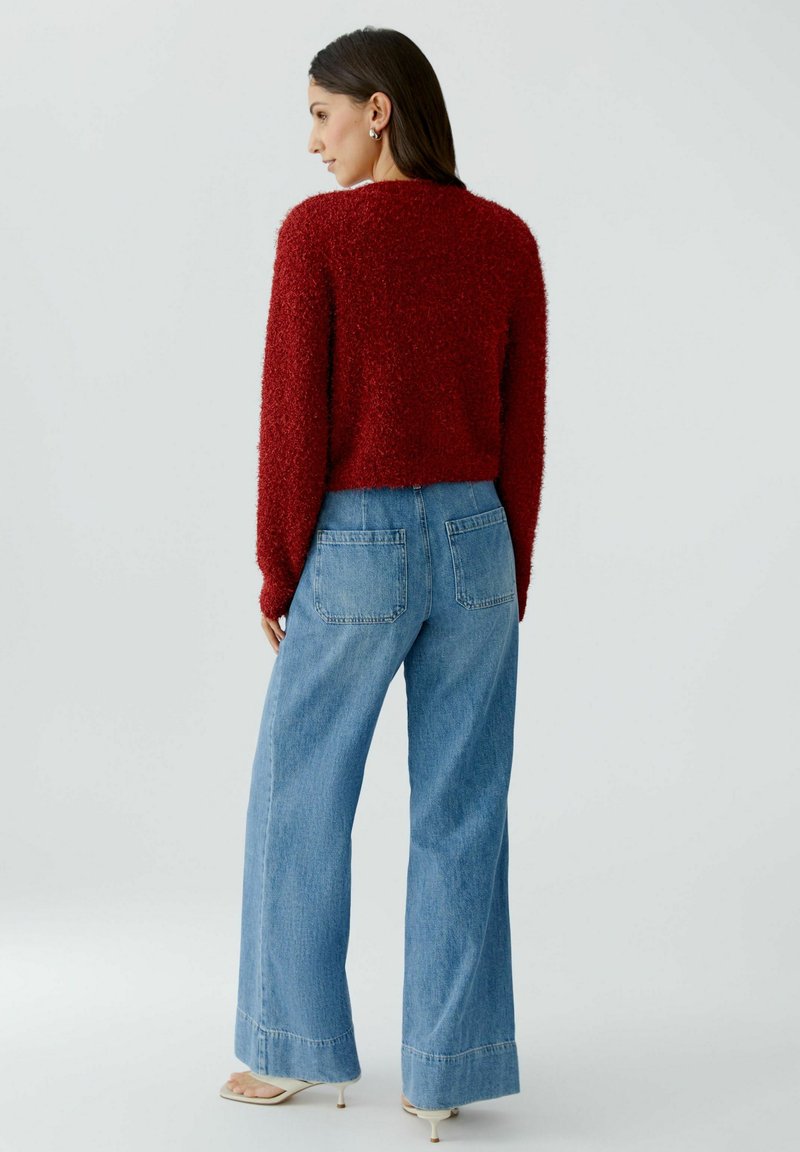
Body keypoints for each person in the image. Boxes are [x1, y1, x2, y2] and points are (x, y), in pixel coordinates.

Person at [219, 26, 548, 1143]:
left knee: (300, 792)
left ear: (379, 109)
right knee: (464, 804)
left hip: (355, 542)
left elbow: (292, 415)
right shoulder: (505, 238)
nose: (312, 141)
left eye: (322, 114)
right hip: (477, 539)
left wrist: (279, 565)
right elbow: (520, 425)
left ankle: (286, 1048)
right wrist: (511, 567)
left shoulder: (318, 236)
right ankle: (445, 1070)